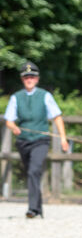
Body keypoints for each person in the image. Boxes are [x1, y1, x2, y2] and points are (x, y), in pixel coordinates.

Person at [3, 61, 69, 218]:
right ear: (22, 79)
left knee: (34, 171)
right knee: (31, 173)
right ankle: (38, 208)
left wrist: (63, 138)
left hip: (40, 140)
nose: (29, 79)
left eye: (32, 76)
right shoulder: (15, 98)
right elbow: (9, 120)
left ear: (37, 79)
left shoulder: (45, 96)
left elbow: (57, 117)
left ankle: (32, 209)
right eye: (26, 77)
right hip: (23, 141)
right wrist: (14, 128)